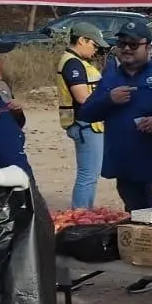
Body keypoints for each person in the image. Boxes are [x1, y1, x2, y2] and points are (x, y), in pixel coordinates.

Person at [75, 22, 152, 300]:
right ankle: (149, 273)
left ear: (148, 47)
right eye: (122, 44)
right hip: (125, 163)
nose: (127, 49)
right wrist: (109, 100)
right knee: (137, 219)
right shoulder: (111, 77)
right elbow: (87, 113)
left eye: (134, 44)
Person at [56, 21, 109, 209]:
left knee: (89, 174)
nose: (95, 50)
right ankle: (81, 217)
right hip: (86, 125)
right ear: (82, 40)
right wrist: (109, 101)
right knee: (88, 175)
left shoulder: (77, 62)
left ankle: (83, 214)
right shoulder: (73, 63)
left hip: (87, 124)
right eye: (94, 45)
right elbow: (83, 97)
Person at [0, 38, 30, 178]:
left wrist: (17, 112)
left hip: (16, 169)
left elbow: (16, 123)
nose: (1, 62)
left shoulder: (1, 88)